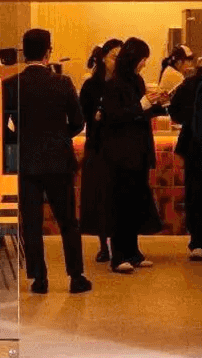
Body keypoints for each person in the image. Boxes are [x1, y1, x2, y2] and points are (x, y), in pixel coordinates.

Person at [1, 29, 92, 295]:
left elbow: (0, 125)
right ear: (48, 52)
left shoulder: (10, 85)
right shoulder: (62, 83)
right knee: (67, 221)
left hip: (26, 162)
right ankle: (76, 276)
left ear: (23, 53)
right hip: (59, 162)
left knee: (31, 222)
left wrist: (18, 139)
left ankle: (39, 279)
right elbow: (78, 121)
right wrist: (60, 137)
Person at [99, 37, 164, 273]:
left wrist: (158, 106)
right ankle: (118, 256)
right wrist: (143, 105)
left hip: (139, 150)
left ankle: (133, 252)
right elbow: (116, 117)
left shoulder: (136, 81)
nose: (145, 64)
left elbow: (139, 114)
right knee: (121, 205)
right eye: (143, 59)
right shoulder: (114, 84)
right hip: (121, 153)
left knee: (135, 204)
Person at [79, 39, 122, 263]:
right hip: (97, 147)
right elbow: (81, 116)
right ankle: (104, 244)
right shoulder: (91, 85)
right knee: (100, 199)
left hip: (120, 148)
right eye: (114, 56)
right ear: (104, 58)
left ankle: (121, 245)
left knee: (118, 199)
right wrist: (96, 116)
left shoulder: (124, 83)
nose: (117, 61)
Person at [169, 62, 202, 261]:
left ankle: (201, 241)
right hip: (195, 146)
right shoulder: (192, 84)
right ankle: (198, 241)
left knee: (197, 193)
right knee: (196, 193)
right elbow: (174, 111)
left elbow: (174, 111)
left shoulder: (192, 83)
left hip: (197, 145)